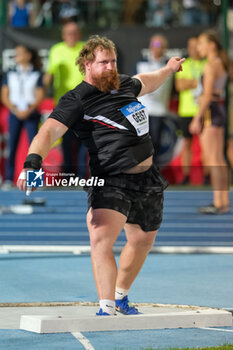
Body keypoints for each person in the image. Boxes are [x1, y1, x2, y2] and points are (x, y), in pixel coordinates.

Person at [17, 35, 185, 315]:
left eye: (113, 61)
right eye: (103, 62)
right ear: (86, 64)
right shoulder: (76, 100)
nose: (110, 67)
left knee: (143, 239)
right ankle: (105, 309)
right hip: (110, 179)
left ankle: (120, 297)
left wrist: (168, 69)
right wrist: (32, 164)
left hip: (147, 178)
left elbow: (148, 80)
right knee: (101, 239)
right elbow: (48, 132)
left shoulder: (123, 85)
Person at [189, 30, 230, 214]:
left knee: (213, 159)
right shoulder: (219, 63)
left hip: (211, 111)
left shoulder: (211, 65)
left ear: (211, 45)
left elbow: (206, 95)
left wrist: (197, 117)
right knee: (219, 159)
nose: (198, 47)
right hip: (218, 108)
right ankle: (222, 201)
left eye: (201, 43)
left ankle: (218, 202)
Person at [43, 21, 87, 178]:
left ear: (79, 34)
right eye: (69, 33)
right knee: (67, 142)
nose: (72, 36)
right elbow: (49, 73)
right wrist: (41, 89)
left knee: (84, 141)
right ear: (63, 35)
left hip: (85, 102)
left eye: (75, 32)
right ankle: (69, 176)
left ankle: (82, 177)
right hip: (64, 104)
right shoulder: (56, 50)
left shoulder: (86, 49)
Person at [1, 45, 44, 189]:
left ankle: (36, 180)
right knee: (12, 145)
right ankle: (8, 179)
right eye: (16, 53)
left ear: (28, 55)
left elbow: (40, 94)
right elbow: (4, 94)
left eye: (20, 53)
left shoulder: (37, 73)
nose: (16, 56)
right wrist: (14, 109)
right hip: (15, 114)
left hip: (31, 114)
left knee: (35, 148)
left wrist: (29, 109)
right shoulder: (10, 73)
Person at [136, 34, 173, 163]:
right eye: (153, 44)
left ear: (164, 48)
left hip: (159, 110)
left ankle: (152, 172)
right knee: (141, 143)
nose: (155, 47)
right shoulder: (141, 63)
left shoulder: (168, 66)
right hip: (142, 110)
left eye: (158, 45)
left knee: (155, 142)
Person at [175, 36, 206, 184]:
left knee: (206, 144)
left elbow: (210, 85)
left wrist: (190, 82)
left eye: (195, 46)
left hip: (204, 110)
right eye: (190, 46)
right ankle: (186, 176)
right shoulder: (185, 64)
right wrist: (198, 82)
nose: (193, 49)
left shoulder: (207, 64)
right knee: (186, 144)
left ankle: (207, 177)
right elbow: (179, 85)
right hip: (186, 110)